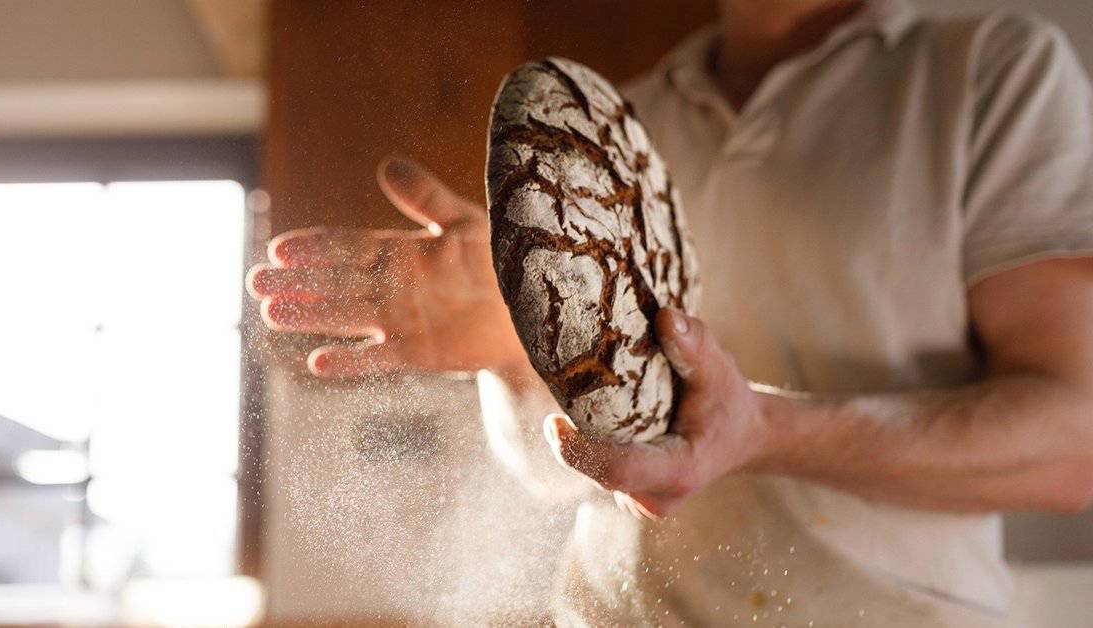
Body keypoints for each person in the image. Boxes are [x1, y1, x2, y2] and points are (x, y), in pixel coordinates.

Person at [247, 0, 1093, 624]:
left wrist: (764, 431)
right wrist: (512, 354)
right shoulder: (615, 123)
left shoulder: (989, 70)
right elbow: (564, 474)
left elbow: (1074, 445)